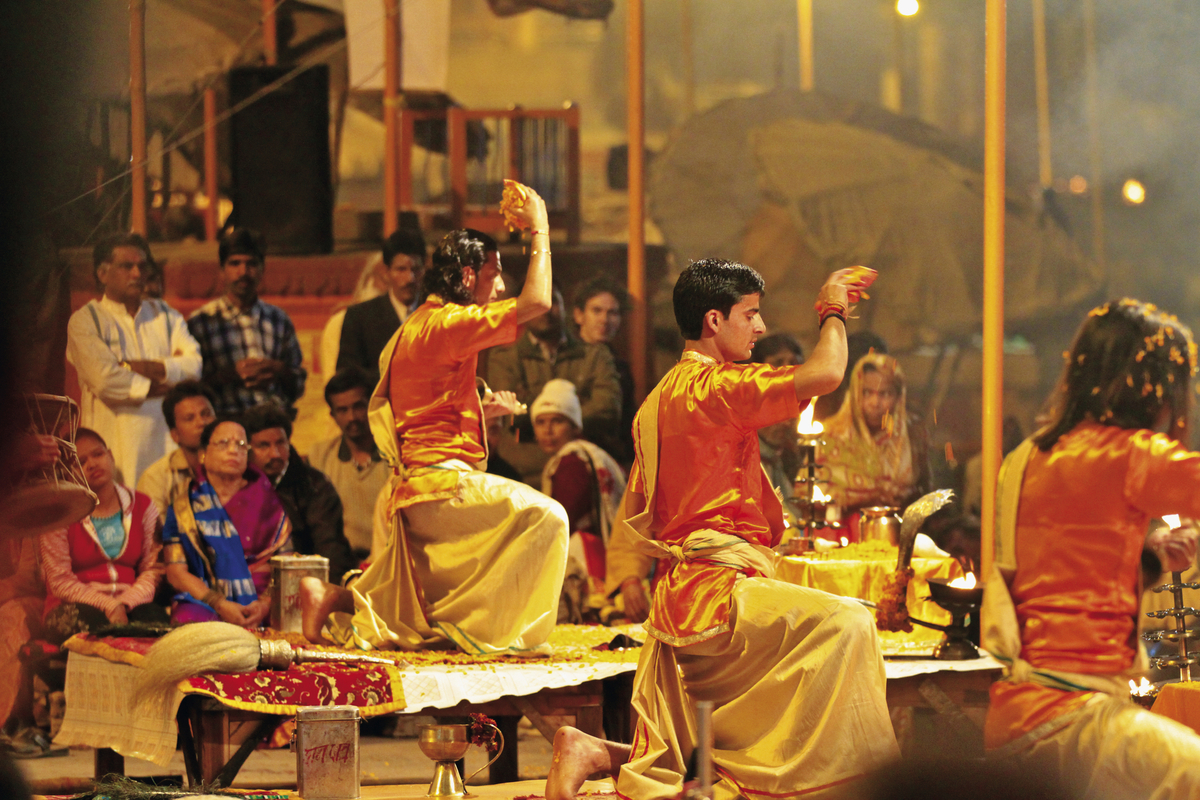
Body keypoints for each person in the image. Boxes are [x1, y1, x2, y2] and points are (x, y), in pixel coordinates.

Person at [546, 260, 897, 800]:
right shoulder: (717, 387)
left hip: (684, 598)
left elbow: (638, 510)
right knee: (849, 623)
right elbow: (827, 374)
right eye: (751, 315)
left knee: (809, 654)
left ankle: (598, 751)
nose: (759, 328)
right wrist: (831, 310)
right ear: (714, 320)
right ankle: (853, 788)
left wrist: (629, 574)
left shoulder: (654, 404)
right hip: (717, 598)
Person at [299, 183, 569, 655]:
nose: (500, 287)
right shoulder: (445, 325)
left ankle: (334, 598)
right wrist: (540, 224)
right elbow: (538, 303)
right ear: (468, 275)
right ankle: (503, 637)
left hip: (419, 487)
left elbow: (422, 409)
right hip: (438, 487)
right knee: (547, 517)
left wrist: (479, 409)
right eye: (495, 274)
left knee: (422, 594)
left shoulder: (416, 328)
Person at [982, 298, 1200, 798]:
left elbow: (1060, 574)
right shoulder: (1131, 454)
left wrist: (1152, 557)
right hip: (1077, 719)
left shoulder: (1028, 455)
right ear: (1149, 388)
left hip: (1016, 716)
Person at [67, 232, 202, 485]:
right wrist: (169, 382)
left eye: (142, 266)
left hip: (167, 444)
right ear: (102, 274)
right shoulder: (86, 321)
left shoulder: (166, 315)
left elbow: (194, 367)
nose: (137, 274)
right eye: (127, 266)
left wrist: (139, 367)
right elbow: (106, 381)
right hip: (116, 449)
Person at [38, 429, 166, 643]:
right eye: (80, 462)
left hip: (131, 604)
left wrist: (124, 604)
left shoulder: (143, 506)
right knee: (96, 633)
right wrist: (109, 606)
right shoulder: (58, 513)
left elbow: (153, 569)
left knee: (159, 630)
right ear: (67, 472)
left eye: (98, 454)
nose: (92, 464)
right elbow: (59, 581)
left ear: (111, 456)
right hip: (75, 607)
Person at [487, 283, 622, 483]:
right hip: (524, 474)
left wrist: (535, 409)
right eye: (537, 304)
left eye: (553, 302)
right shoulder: (505, 358)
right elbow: (512, 417)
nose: (546, 310)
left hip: (581, 470)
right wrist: (574, 409)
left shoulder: (594, 356)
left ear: (564, 306)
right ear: (522, 309)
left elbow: (607, 410)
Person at [162, 419, 292, 626]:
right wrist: (220, 604)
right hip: (207, 599)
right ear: (203, 454)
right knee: (189, 619)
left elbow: (287, 563)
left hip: (262, 600)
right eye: (223, 443)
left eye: (241, 445)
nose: (233, 450)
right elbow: (176, 572)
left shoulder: (268, 501)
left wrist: (264, 604)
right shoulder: (184, 506)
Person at [187, 228, 306, 417]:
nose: (243, 272)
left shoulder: (278, 320)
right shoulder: (201, 323)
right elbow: (190, 388)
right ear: (222, 271)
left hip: (272, 424)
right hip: (225, 424)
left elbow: (298, 386)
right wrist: (230, 376)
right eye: (235, 264)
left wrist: (277, 371)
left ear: (262, 269)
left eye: (251, 264)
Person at [532, 378, 626, 608]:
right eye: (541, 422)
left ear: (575, 426)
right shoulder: (590, 455)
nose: (548, 430)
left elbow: (563, 521)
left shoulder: (571, 462)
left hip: (585, 560)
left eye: (557, 421)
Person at [243, 404, 356, 585]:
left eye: (280, 443)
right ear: (248, 449)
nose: (275, 454)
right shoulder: (239, 484)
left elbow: (330, 548)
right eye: (264, 445)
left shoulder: (314, 486)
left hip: (304, 584)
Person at [818, 352, 931, 520]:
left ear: (899, 397)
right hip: (839, 534)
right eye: (866, 393)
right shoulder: (830, 435)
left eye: (885, 394)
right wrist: (869, 499)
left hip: (898, 529)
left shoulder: (912, 435)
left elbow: (926, 490)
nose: (874, 403)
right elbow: (808, 496)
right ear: (854, 393)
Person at [307, 367, 391, 561]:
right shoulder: (320, 457)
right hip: (337, 564)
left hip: (387, 562)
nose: (352, 417)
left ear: (371, 406)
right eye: (342, 410)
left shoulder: (394, 454)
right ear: (333, 415)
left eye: (358, 406)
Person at [338, 227, 426, 380]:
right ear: (386, 272)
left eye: (416, 269)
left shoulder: (441, 313)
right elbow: (348, 375)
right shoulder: (360, 318)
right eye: (401, 270)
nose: (409, 278)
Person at [136, 381, 217, 524]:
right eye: (190, 418)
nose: (201, 422)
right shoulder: (156, 478)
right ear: (175, 435)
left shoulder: (237, 463)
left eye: (206, 414)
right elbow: (155, 537)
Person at [571, 278, 634, 463]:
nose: (604, 319)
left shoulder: (620, 367)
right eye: (596, 310)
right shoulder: (566, 358)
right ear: (579, 315)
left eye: (612, 312)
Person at [750, 333, 806, 520]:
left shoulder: (800, 407)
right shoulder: (748, 403)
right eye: (778, 362)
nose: (787, 368)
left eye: (793, 361)